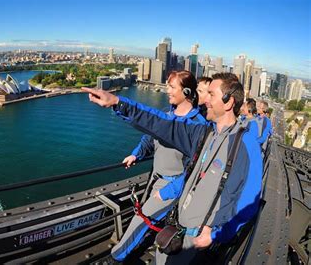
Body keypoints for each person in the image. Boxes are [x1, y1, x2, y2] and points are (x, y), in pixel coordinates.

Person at [82, 72, 262, 264]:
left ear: (228, 102)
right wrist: (118, 102)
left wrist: (218, 233)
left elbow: (249, 197)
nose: (205, 100)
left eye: (211, 94)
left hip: (196, 238)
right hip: (177, 225)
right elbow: (162, 125)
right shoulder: (205, 133)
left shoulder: (245, 144)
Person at [111, 71, 207, 262]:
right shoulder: (166, 114)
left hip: (172, 186)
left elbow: (195, 170)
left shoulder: (198, 126)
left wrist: (167, 192)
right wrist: (136, 154)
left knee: (141, 219)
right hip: (155, 179)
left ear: (187, 91)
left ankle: (116, 257)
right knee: (152, 220)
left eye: (172, 87)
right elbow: (148, 138)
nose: (167, 91)